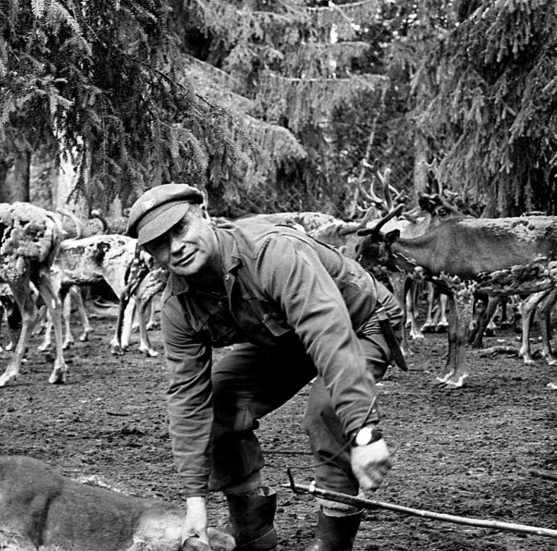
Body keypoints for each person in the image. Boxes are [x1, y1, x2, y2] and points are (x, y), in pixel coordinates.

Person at [126, 184, 403, 551]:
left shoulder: (272, 252)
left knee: (327, 410)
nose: (175, 247)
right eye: (159, 243)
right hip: (285, 340)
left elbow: (328, 334)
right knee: (218, 403)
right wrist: (195, 500)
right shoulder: (178, 306)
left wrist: (364, 432)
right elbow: (187, 398)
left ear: (204, 216)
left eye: (180, 229)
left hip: (358, 321)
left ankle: (333, 542)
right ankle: (252, 532)